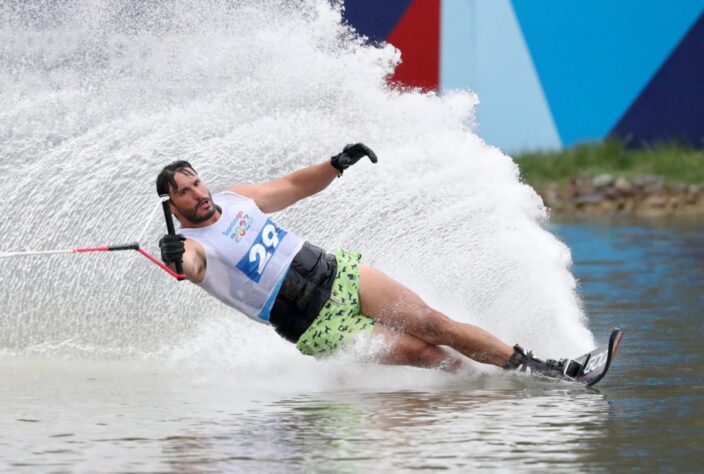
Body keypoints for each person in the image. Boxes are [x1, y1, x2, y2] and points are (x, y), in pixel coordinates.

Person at [156, 144, 570, 378]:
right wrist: (174, 257)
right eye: (185, 193)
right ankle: (484, 386)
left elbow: (294, 186)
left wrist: (335, 165)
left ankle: (537, 367)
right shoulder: (193, 245)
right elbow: (187, 268)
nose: (198, 194)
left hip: (339, 275)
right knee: (426, 354)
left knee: (435, 324)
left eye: (197, 182)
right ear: (172, 207)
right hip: (316, 325)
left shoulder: (237, 198)